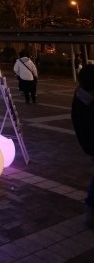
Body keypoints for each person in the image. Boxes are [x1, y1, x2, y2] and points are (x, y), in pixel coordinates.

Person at [71, 64, 94, 228]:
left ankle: (90, 212)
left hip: (88, 144)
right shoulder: (89, 102)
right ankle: (90, 213)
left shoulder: (79, 96)